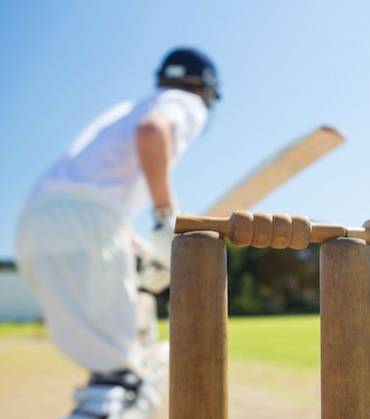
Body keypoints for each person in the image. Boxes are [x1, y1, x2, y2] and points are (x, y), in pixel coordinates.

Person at [14, 47, 220, 418]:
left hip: (35, 227)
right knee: (122, 382)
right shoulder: (185, 103)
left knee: (111, 365)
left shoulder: (123, 111)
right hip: (86, 224)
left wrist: (140, 249)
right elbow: (151, 132)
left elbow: (92, 190)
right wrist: (165, 218)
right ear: (204, 88)